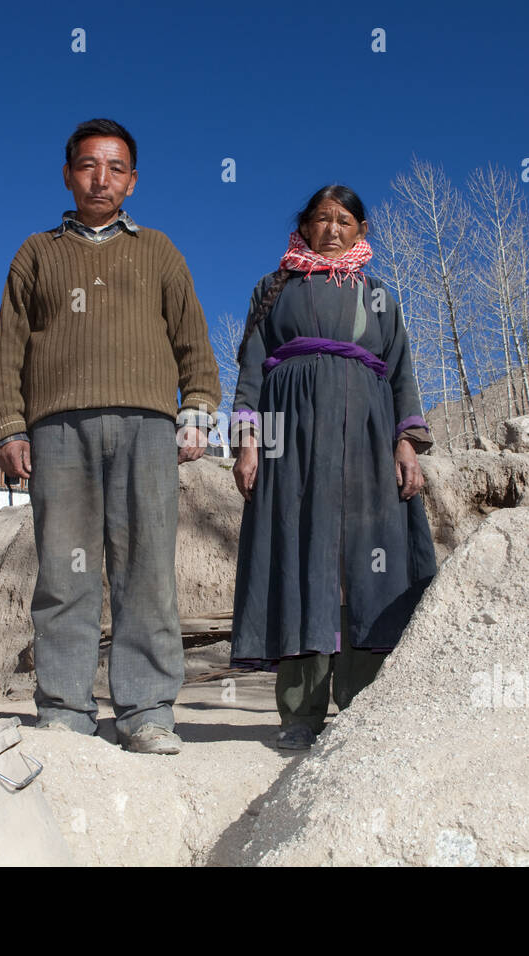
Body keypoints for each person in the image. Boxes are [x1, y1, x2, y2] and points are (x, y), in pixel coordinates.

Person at [0, 118, 220, 755]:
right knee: (66, 571)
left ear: (133, 182)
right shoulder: (35, 253)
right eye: (89, 166)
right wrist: (7, 424)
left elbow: (193, 340)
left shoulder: (160, 251)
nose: (101, 178)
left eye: (116, 169)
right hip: (58, 430)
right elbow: (7, 350)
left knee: (147, 570)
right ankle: (64, 711)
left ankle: (146, 713)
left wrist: (197, 406)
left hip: (147, 428)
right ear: (67, 174)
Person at [230, 185, 437, 750]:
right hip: (290, 440)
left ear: (361, 231)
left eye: (344, 220)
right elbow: (251, 371)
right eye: (321, 219)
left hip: (368, 441)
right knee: (301, 558)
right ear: (303, 227)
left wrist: (406, 444)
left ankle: (361, 706)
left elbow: (402, 375)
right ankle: (299, 714)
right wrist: (249, 441)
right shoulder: (273, 290)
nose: (332, 229)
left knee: (368, 566)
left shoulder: (380, 299)